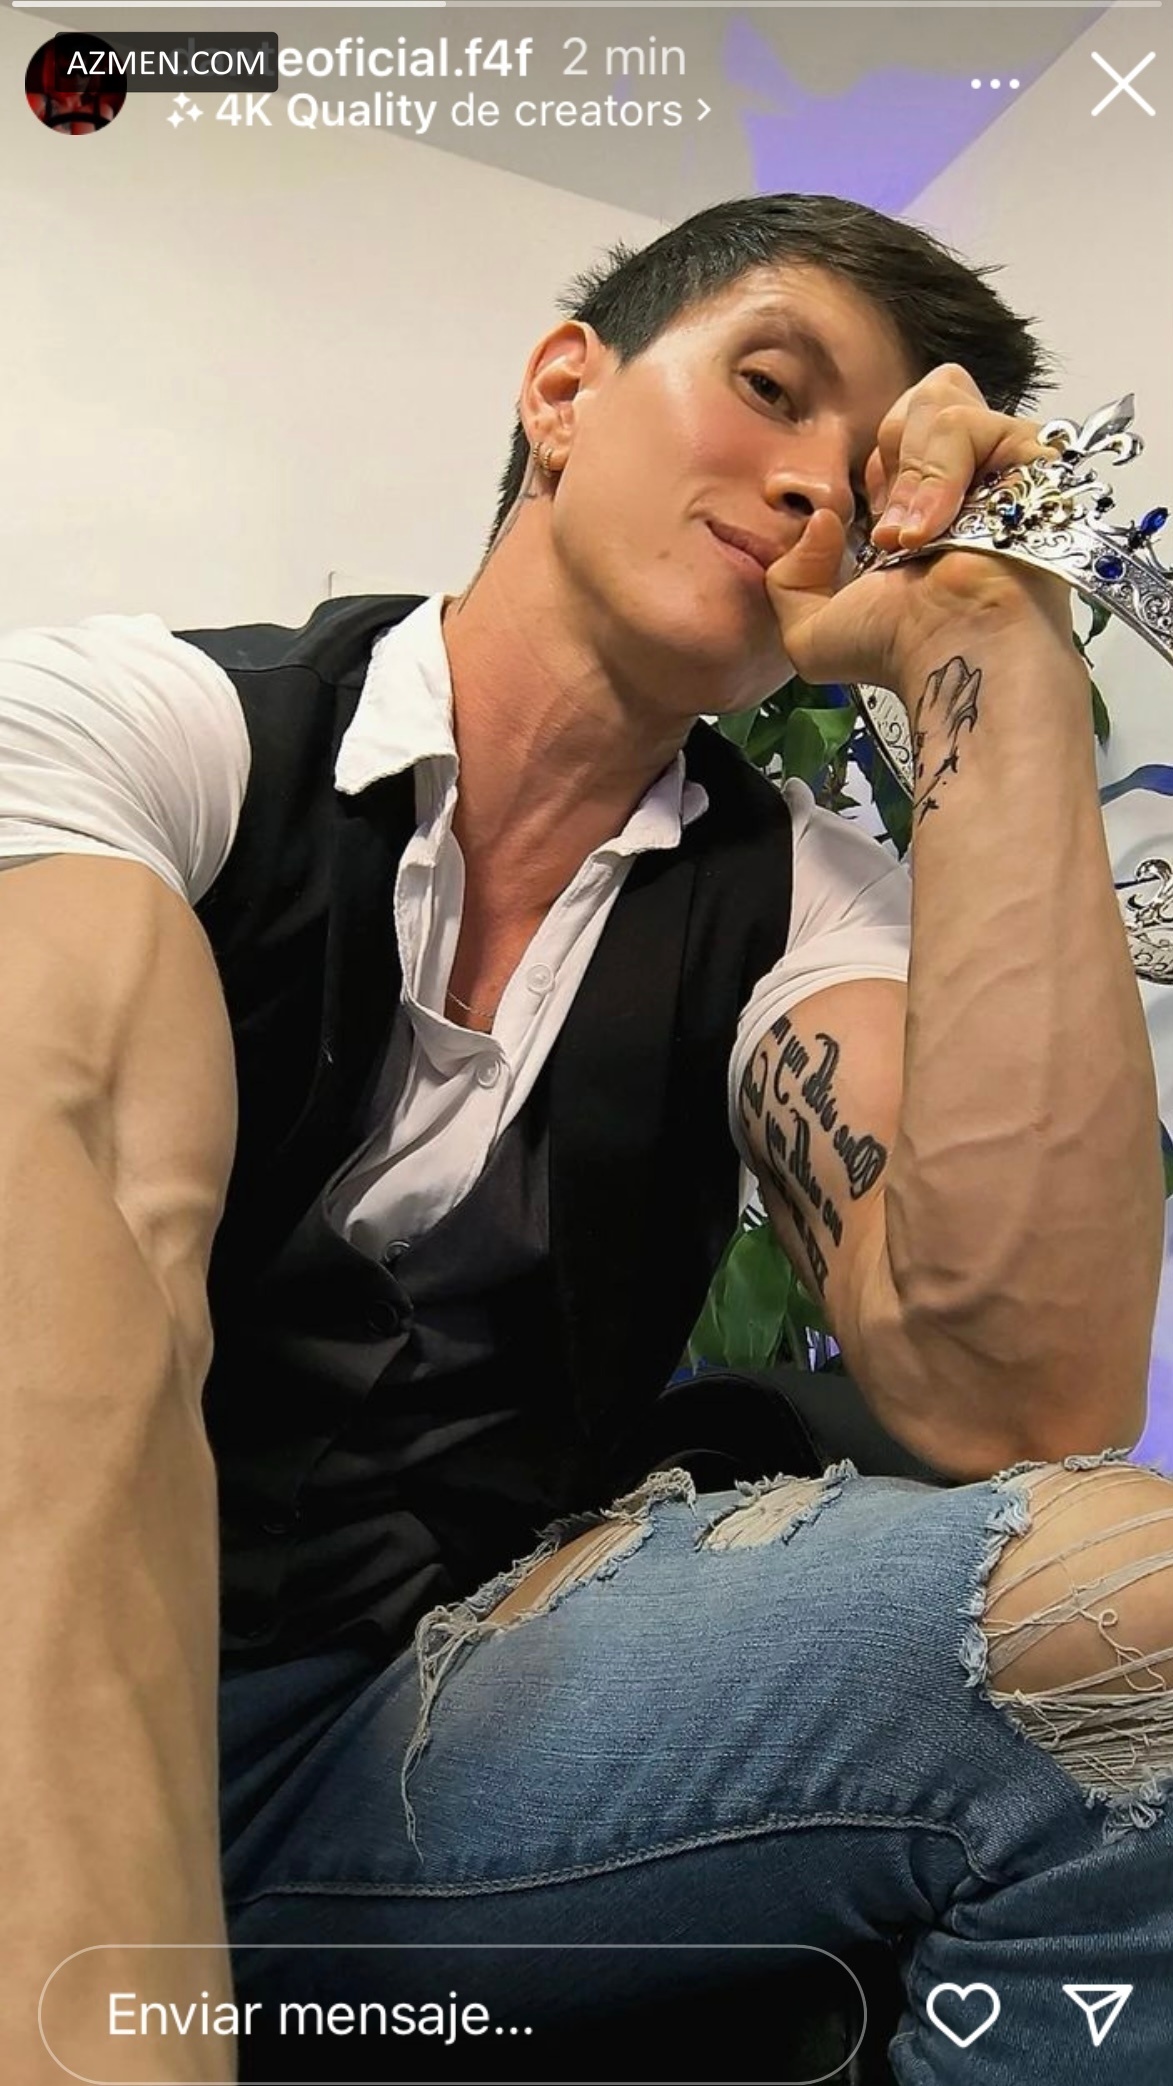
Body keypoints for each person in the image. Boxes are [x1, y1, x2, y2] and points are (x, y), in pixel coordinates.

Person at [2, 193, 1171, 2086]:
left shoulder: (801, 900)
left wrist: (990, 636)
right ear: (562, 392)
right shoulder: (139, 729)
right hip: (32, 1686)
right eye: (770, 386)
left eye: (878, 473)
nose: (817, 485)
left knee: (1137, 1625)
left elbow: (1013, 1383)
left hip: (377, 1760)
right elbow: (88, 1264)